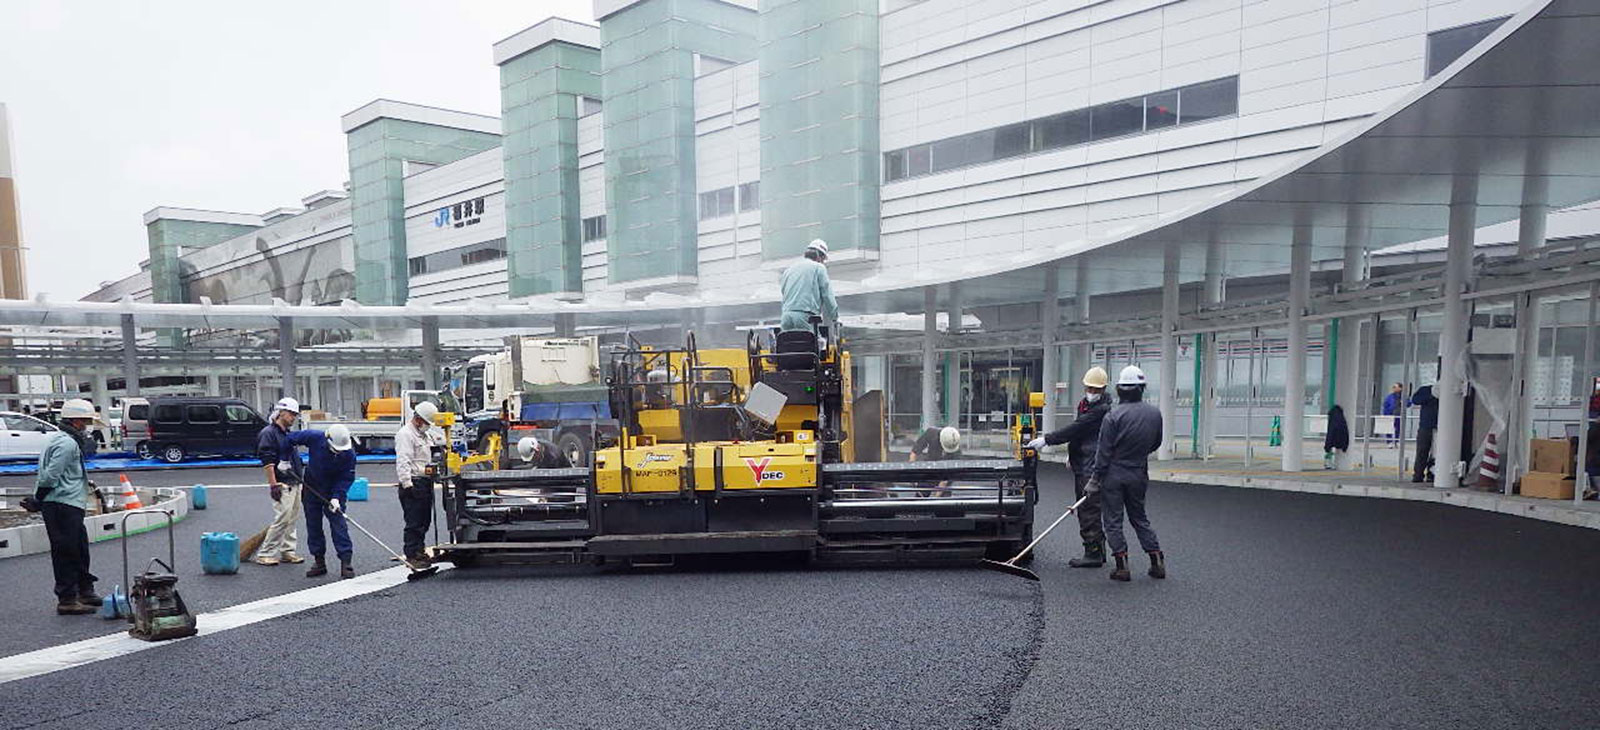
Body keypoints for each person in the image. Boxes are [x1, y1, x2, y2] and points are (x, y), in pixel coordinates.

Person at [1025, 366, 1112, 568]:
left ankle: (1093, 553)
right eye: (1089, 388)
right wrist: (1072, 456)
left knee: (1088, 508)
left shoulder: (1101, 410)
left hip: (1092, 464)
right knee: (1086, 507)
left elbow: (1076, 428)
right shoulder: (1085, 405)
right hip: (1083, 460)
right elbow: (1080, 434)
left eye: (1095, 390)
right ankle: (1097, 549)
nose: (1091, 393)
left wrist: (1046, 440)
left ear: (1103, 389)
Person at [22, 399, 102, 614]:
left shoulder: (59, 439)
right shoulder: (67, 444)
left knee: (79, 548)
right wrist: (38, 499)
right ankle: (67, 598)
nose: (86, 427)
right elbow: (50, 476)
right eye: (85, 422)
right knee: (65, 551)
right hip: (61, 503)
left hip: (68, 502)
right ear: (76, 421)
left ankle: (85, 589)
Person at [1087, 365, 1165, 582]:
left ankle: (1122, 566)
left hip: (1114, 474)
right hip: (1139, 472)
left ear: (1120, 389)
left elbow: (1103, 452)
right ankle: (1157, 560)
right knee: (1139, 517)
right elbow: (1156, 442)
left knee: (1113, 520)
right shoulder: (1155, 414)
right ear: (1142, 388)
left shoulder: (1113, 416)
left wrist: (1094, 479)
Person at [289, 424, 357, 579]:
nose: (338, 452)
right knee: (313, 525)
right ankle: (319, 562)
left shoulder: (349, 454)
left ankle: (346, 562)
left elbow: (346, 477)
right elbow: (289, 440)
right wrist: (285, 459)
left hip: (332, 493)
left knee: (339, 525)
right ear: (327, 440)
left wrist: (337, 497)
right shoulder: (314, 437)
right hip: (311, 488)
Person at [253, 397, 305, 566]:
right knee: (283, 518)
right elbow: (267, 461)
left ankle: (287, 551)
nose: (293, 418)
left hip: (294, 481)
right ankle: (266, 552)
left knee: (292, 518)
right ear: (281, 412)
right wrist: (273, 484)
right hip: (282, 482)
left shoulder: (286, 433)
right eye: (291, 414)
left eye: (295, 415)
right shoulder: (269, 433)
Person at [395, 401, 440, 569]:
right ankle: (412, 554)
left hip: (425, 481)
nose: (428, 426)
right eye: (427, 423)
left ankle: (420, 551)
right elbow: (403, 460)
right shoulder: (405, 434)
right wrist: (407, 485)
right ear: (419, 420)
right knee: (414, 521)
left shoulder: (424, 435)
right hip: (413, 482)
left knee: (424, 520)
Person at [778, 239, 839, 333]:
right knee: (814, 345)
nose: (823, 262)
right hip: (805, 317)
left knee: (788, 345)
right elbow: (827, 295)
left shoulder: (789, 270)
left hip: (786, 318)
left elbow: (783, 292)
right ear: (819, 256)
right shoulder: (819, 268)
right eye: (823, 259)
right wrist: (835, 318)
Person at [1410, 383, 1439, 483]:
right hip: (1426, 426)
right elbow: (1415, 400)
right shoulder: (1425, 390)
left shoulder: (1446, 393)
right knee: (1422, 451)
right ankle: (1418, 474)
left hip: (1438, 427)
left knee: (1436, 453)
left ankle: (1432, 474)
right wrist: (1431, 395)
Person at [1323, 405, 1350, 469]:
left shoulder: (1333, 418)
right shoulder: (1342, 418)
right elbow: (1346, 432)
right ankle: (1336, 465)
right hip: (1342, 440)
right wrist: (1345, 446)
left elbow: (1330, 432)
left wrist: (1327, 445)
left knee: (1331, 450)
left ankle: (1329, 464)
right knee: (1340, 453)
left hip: (1334, 438)